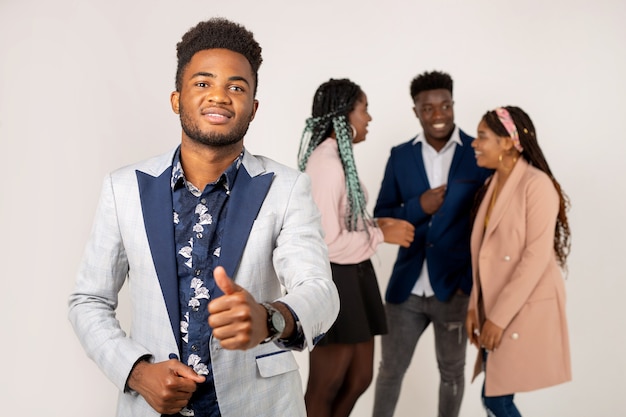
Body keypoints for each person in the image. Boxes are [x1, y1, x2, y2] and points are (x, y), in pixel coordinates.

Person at [68, 18, 339, 417]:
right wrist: (137, 372)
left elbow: (320, 290)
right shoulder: (122, 188)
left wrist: (269, 318)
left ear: (253, 107)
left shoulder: (287, 187)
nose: (219, 96)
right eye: (202, 83)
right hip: (153, 404)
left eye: (236, 87)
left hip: (260, 404)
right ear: (176, 99)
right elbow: (88, 301)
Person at [372, 70, 492, 417]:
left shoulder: (477, 154)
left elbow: (488, 224)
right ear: (416, 111)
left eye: (445, 106)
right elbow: (381, 214)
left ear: (453, 105)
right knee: (390, 372)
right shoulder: (400, 156)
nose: (438, 115)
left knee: (452, 373)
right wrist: (417, 206)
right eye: (428, 109)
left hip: (455, 290)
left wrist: (470, 287)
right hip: (405, 291)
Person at [297, 78, 414, 417]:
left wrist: (377, 229)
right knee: (326, 383)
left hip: (356, 278)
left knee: (360, 377)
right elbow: (328, 244)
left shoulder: (339, 160)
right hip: (336, 279)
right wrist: (379, 234)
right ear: (344, 115)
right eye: (364, 109)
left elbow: (344, 224)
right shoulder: (326, 165)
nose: (369, 118)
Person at [465, 106, 572, 416]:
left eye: (482, 137)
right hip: (493, 305)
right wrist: (474, 306)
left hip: (519, 308)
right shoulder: (491, 185)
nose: (474, 143)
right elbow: (483, 253)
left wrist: (497, 317)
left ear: (508, 142)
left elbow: (536, 257)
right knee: (494, 397)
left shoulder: (536, 186)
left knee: (496, 398)